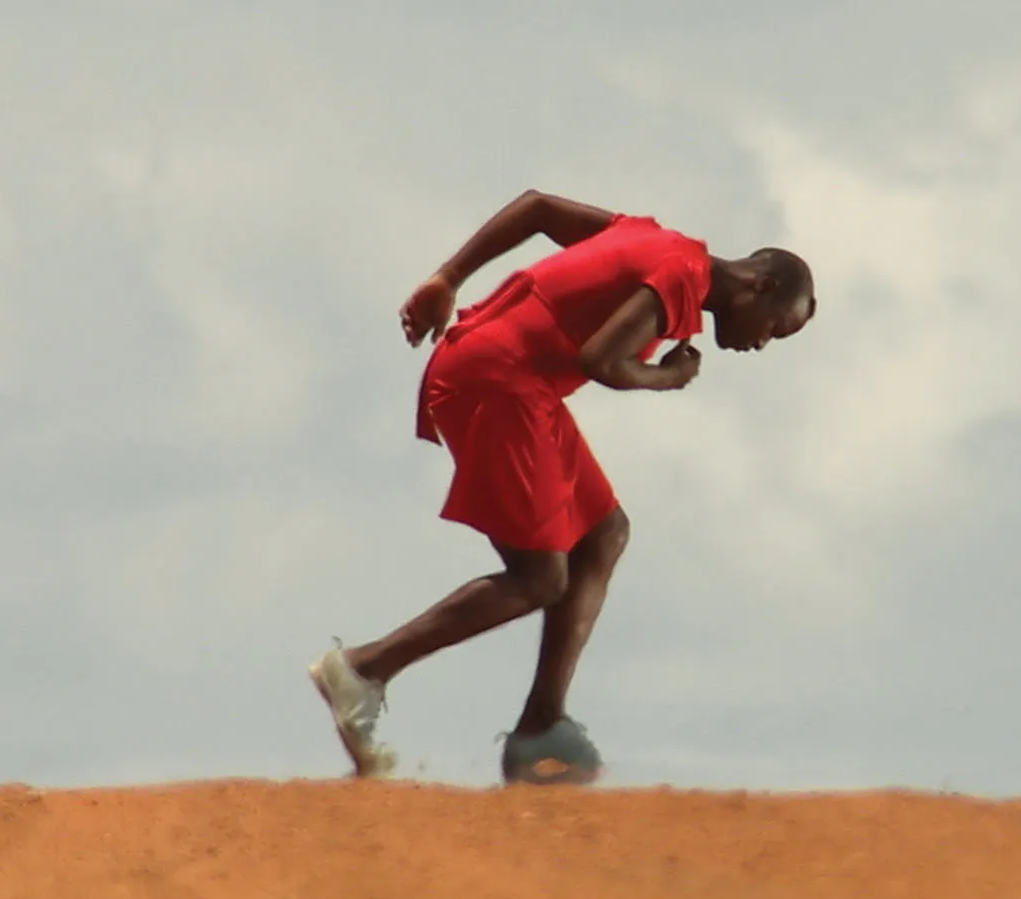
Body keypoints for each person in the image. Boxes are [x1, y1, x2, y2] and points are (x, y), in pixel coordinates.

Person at [309, 189, 816, 784]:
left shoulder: (658, 241)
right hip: (497, 379)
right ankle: (365, 670)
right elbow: (603, 359)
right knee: (540, 577)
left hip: (515, 378)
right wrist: (667, 377)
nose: (760, 345)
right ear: (760, 287)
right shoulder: (682, 275)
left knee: (604, 534)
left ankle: (540, 726)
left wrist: (448, 278)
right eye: (775, 330)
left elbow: (538, 209)